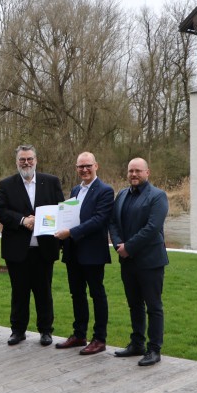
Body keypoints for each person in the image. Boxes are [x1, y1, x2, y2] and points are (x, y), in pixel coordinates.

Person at [0, 144, 64, 346]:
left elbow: (60, 209)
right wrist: (22, 220)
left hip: (44, 248)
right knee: (19, 292)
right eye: (22, 159)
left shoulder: (51, 182)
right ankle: (18, 330)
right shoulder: (6, 184)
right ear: (16, 162)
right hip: (18, 249)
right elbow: (0, 211)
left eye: (30, 159)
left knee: (44, 292)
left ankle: (45, 331)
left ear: (36, 160)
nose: (26, 163)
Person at [109, 157, 169, 366]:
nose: (133, 174)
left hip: (150, 261)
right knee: (134, 305)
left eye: (138, 171)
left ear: (147, 172)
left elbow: (152, 228)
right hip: (128, 261)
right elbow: (114, 222)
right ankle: (137, 344)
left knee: (153, 306)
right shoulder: (123, 194)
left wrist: (129, 247)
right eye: (130, 171)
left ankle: (154, 349)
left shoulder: (158, 196)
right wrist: (118, 245)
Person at [53, 152, 114, 355]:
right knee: (76, 294)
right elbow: (69, 216)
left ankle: (99, 338)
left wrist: (70, 232)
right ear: (76, 168)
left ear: (96, 165)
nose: (84, 170)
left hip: (93, 252)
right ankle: (79, 334)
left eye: (88, 165)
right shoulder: (75, 190)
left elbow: (99, 220)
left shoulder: (105, 191)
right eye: (80, 167)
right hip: (73, 252)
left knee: (97, 294)